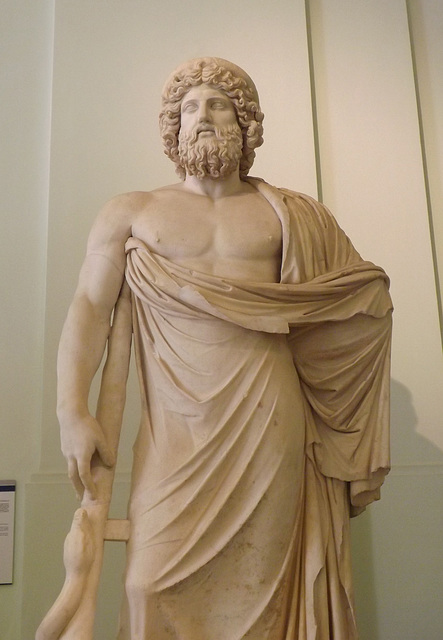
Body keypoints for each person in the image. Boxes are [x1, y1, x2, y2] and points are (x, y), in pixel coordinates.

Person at [57, 57, 392, 639]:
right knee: (148, 583)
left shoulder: (292, 215)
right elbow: (88, 307)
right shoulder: (133, 212)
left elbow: (357, 299)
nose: (204, 116)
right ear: (173, 127)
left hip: (269, 420)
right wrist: (71, 410)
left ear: (245, 122)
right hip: (176, 429)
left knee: (268, 591)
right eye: (190, 107)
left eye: (218, 104)